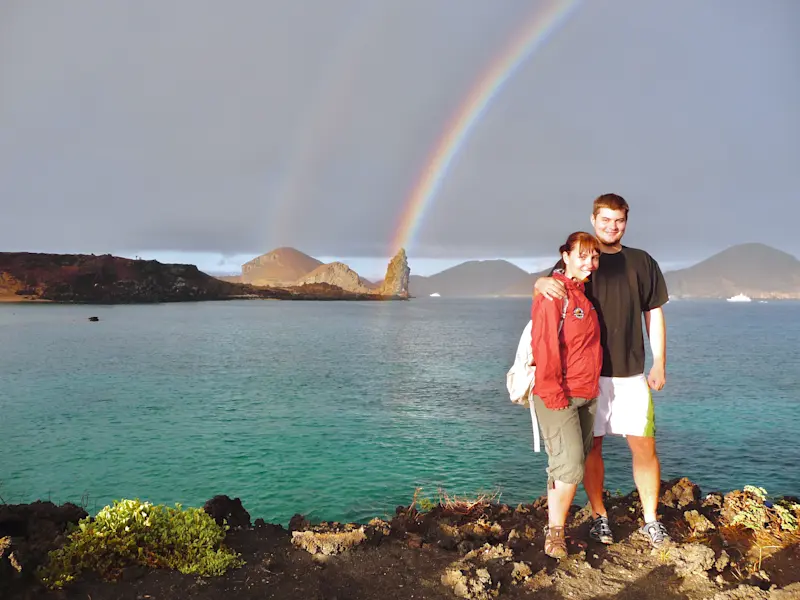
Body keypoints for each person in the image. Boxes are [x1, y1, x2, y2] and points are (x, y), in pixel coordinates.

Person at [535, 193, 670, 548]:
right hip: (588, 377)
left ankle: (651, 520)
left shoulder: (641, 262)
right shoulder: (580, 259)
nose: (612, 226)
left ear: (626, 222)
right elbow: (551, 290)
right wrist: (538, 282)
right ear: (593, 220)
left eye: (619, 220)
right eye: (605, 220)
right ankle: (599, 517)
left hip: (631, 374)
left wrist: (659, 361)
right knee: (591, 449)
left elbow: (653, 313)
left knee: (644, 446)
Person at [531, 231, 602, 559]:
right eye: (582, 255)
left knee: (570, 462)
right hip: (558, 394)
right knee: (570, 464)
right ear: (566, 256)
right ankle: (555, 532)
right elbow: (544, 345)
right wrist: (552, 393)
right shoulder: (554, 293)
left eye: (594, 257)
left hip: (587, 394)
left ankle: (557, 523)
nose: (590, 263)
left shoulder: (583, 294)